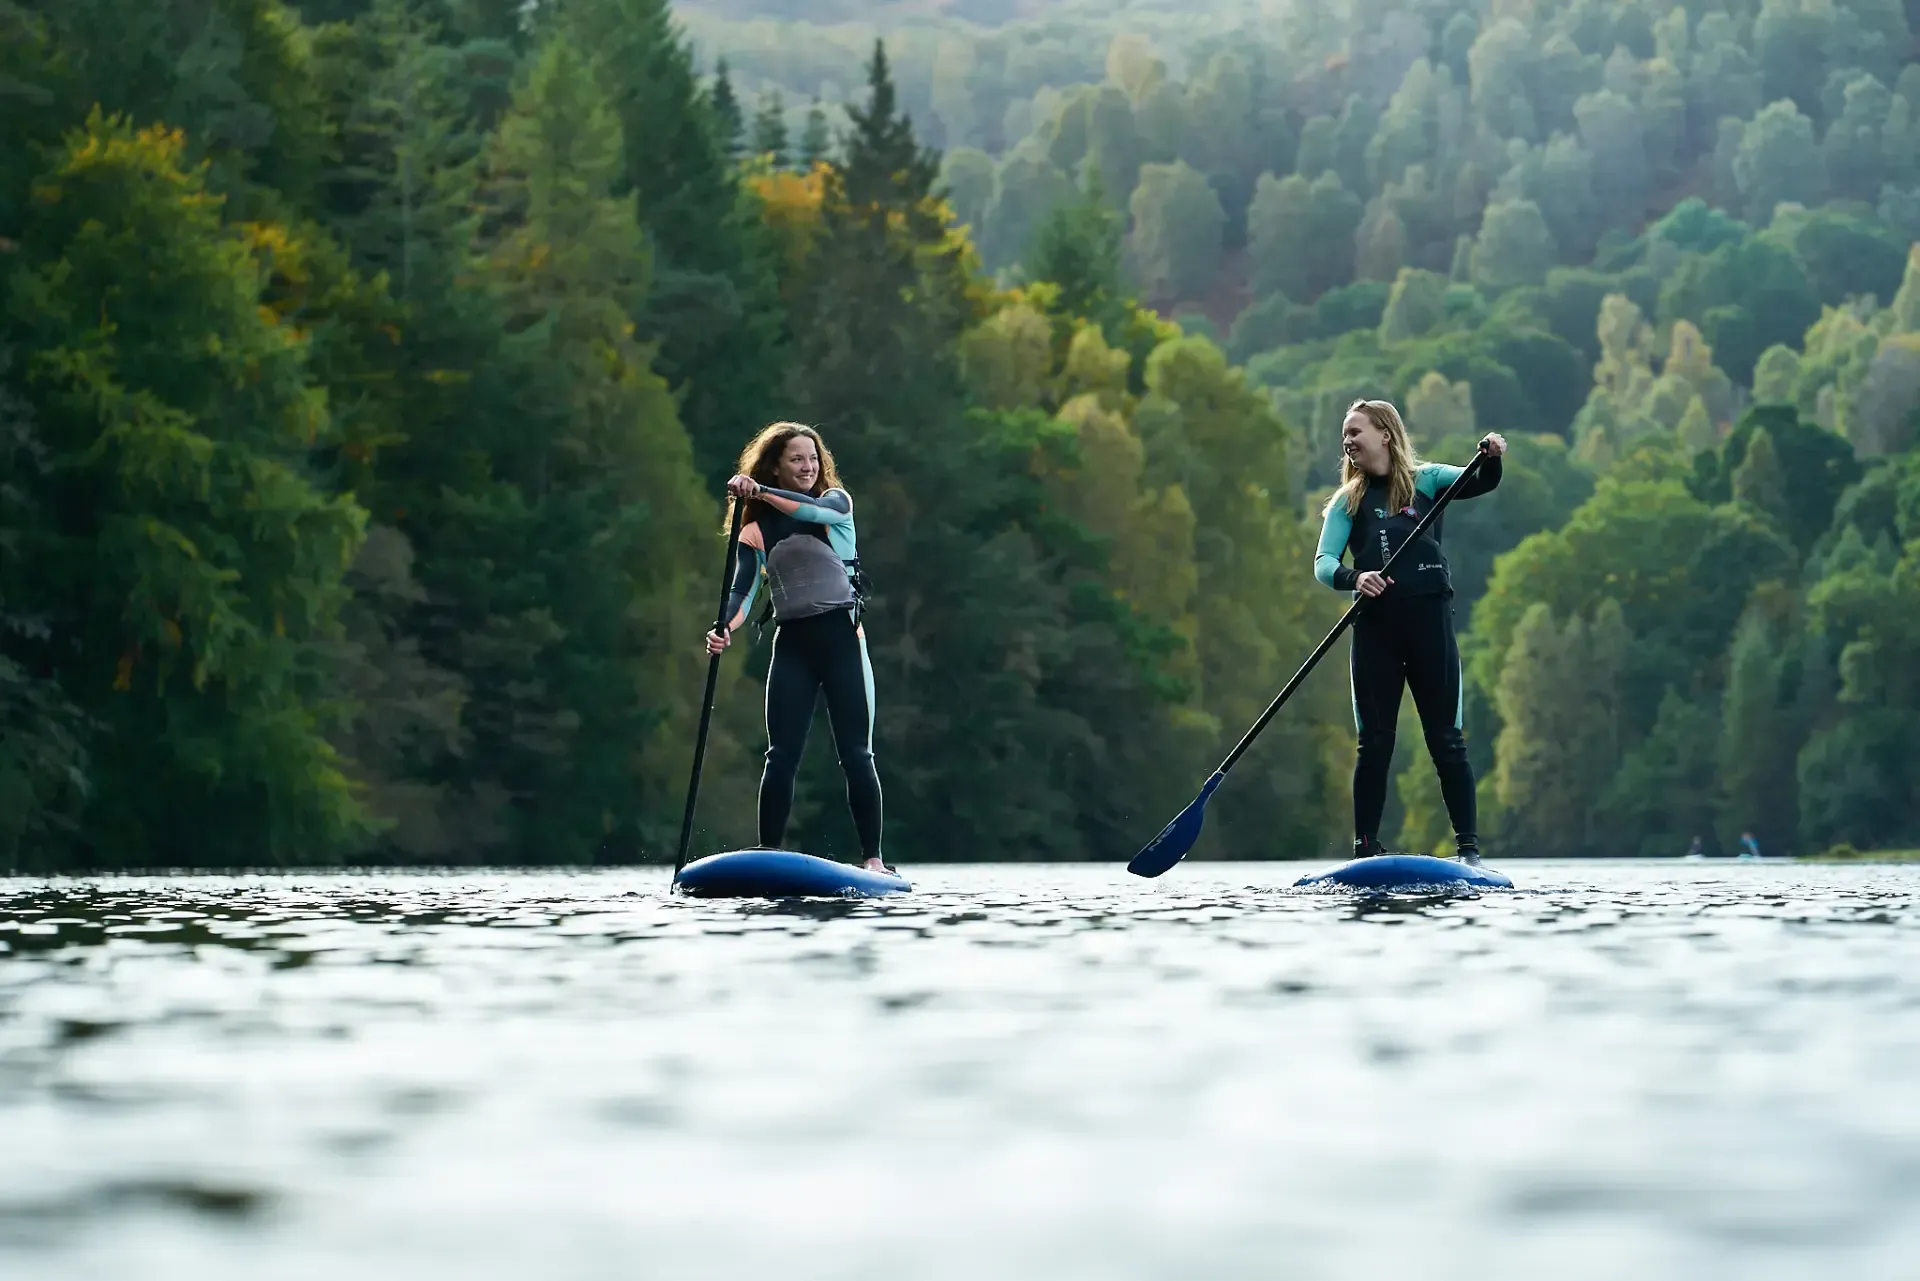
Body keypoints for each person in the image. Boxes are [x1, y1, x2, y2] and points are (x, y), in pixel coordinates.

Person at [1314, 399, 1506, 865]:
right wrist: (1355, 578)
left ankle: (1469, 851)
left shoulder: (1429, 480)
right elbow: (1323, 565)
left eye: (1356, 431)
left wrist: (1493, 455)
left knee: (1446, 740)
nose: (1348, 440)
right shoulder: (1347, 503)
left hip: (1429, 627)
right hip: (1376, 631)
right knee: (1375, 743)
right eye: (1345, 433)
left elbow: (1479, 480)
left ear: (1385, 433)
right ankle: (1366, 849)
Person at [705, 423, 890, 874]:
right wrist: (723, 628)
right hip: (793, 648)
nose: (808, 467)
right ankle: (769, 856)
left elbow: (807, 512)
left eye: (813, 459)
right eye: (796, 459)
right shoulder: (754, 531)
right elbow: (742, 594)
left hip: (843, 642)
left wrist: (758, 490)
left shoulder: (835, 504)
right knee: (780, 755)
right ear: (775, 465)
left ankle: (873, 860)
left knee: (856, 754)